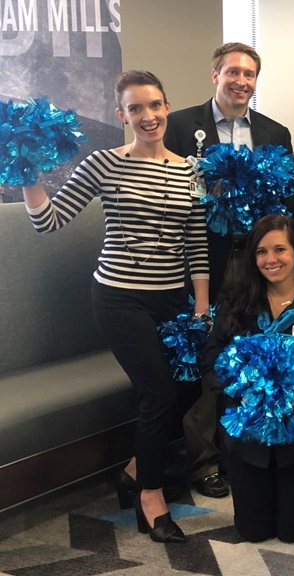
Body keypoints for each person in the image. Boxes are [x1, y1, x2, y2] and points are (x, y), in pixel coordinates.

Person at [22, 70, 210, 543]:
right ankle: (151, 497)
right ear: (120, 114)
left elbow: (195, 241)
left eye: (155, 106)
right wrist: (26, 173)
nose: (148, 116)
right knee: (159, 393)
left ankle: (131, 469)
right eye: (136, 108)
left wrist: (201, 306)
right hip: (119, 296)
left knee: (188, 386)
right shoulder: (104, 164)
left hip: (173, 297)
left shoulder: (189, 168)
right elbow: (50, 221)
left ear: (167, 106)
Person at [164, 41, 293, 500]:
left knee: (253, 352)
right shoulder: (180, 127)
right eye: (233, 72)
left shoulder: (276, 133)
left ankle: (245, 449)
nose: (242, 81)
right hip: (204, 261)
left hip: (261, 262)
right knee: (206, 355)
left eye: (250, 74)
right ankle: (203, 461)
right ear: (214, 74)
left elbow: (286, 205)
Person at [201, 215, 294, 542]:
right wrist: (241, 388)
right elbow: (211, 360)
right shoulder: (235, 305)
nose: (271, 260)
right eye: (261, 252)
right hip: (247, 440)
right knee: (252, 532)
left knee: (292, 532)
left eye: (279, 250)